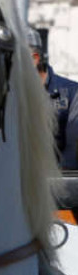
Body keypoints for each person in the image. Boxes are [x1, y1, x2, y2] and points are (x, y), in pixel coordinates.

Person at [28, 28, 78, 170]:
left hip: (56, 183)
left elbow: (72, 153)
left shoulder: (73, 93)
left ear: (34, 59)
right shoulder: (8, 94)